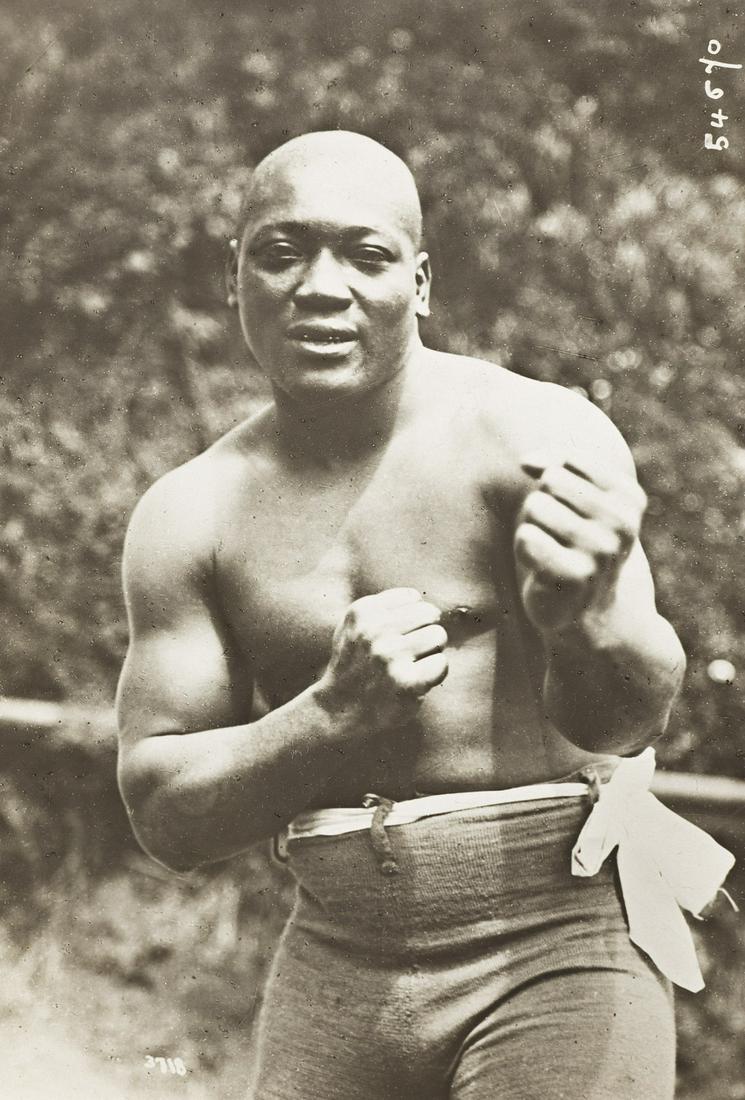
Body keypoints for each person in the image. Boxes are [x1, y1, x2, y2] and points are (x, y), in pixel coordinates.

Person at [116, 130, 706, 1099]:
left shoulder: (531, 435)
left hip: (555, 941)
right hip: (337, 951)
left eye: (366, 253)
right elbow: (165, 815)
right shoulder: (191, 513)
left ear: (420, 283)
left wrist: (588, 619)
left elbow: (629, 719)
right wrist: (327, 717)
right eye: (281, 252)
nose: (320, 286)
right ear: (233, 277)